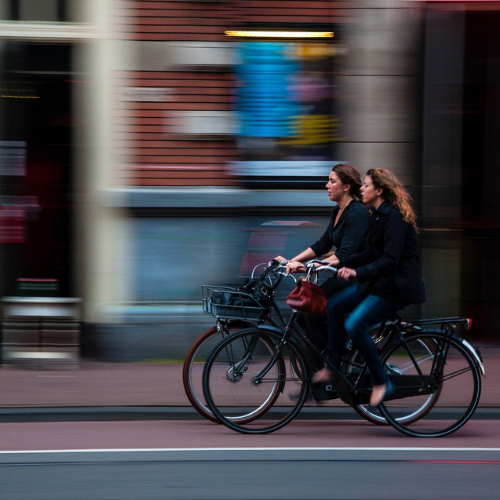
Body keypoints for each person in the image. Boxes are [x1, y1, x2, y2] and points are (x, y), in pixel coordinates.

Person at [313, 168, 426, 407]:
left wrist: (356, 272)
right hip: (379, 283)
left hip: (396, 288)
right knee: (333, 306)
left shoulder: (393, 217)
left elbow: (389, 260)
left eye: (366, 185)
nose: (361, 189)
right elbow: (371, 252)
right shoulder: (376, 214)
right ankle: (333, 368)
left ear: (380, 190)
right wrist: (341, 262)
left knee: (354, 325)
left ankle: (381, 381)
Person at [275, 164, 370, 353]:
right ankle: (333, 356)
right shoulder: (337, 212)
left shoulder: (357, 213)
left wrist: (309, 267)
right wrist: (291, 261)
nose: (327, 185)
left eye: (332, 181)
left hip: (356, 279)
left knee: (311, 311)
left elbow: (345, 255)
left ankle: (332, 360)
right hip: (340, 277)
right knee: (306, 314)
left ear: (346, 187)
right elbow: (322, 245)